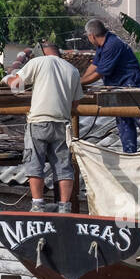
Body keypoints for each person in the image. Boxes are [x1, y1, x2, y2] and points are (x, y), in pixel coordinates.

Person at [9, 43, 83, 212]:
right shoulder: (72, 70)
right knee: (64, 166)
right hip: (62, 123)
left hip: (38, 121)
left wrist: (9, 76)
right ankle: (65, 207)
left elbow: (16, 86)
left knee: (34, 162)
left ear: (42, 52)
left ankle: (37, 205)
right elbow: (76, 103)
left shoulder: (38, 62)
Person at [79, 18, 140, 153]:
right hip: (118, 87)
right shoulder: (103, 45)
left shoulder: (112, 44)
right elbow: (94, 66)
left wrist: (79, 83)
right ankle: (129, 153)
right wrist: (80, 80)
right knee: (124, 121)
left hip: (131, 85)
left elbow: (99, 73)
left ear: (91, 36)